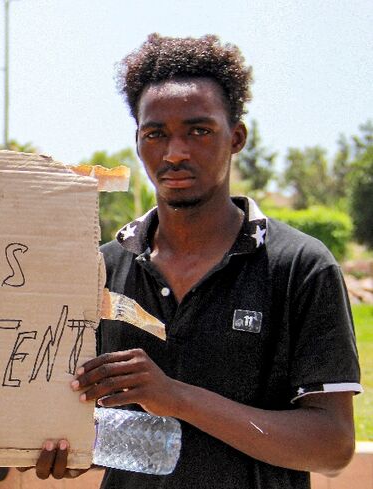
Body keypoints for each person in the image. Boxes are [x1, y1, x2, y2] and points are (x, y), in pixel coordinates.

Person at [35, 34, 361, 488]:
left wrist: (176, 398)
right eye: (156, 135)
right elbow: (77, 420)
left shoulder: (300, 266)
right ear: (137, 142)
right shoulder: (100, 271)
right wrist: (66, 448)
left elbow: (332, 446)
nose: (175, 153)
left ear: (237, 137)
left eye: (199, 131)